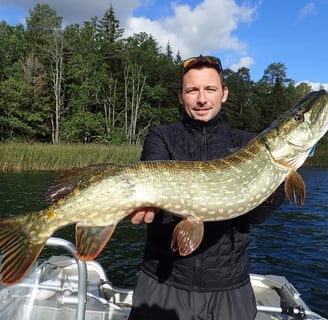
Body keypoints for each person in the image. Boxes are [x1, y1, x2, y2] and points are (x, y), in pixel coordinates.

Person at [128, 55, 285, 320]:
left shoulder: (247, 143)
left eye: (210, 89)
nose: (202, 99)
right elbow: (153, 189)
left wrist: (283, 168)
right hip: (162, 281)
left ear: (224, 94)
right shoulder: (161, 136)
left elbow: (255, 216)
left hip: (229, 289)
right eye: (193, 90)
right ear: (181, 96)